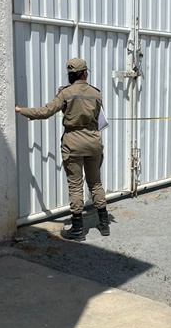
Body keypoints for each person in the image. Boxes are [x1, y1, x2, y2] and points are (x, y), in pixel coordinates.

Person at [15, 57, 109, 240]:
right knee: (95, 183)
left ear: (71, 74)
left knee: (75, 186)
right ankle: (104, 224)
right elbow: (100, 119)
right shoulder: (96, 93)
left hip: (73, 143)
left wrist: (21, 110)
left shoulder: (65, 93)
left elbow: (45, 112)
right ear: (84, 73)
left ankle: (77, 230)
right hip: (93, 142)